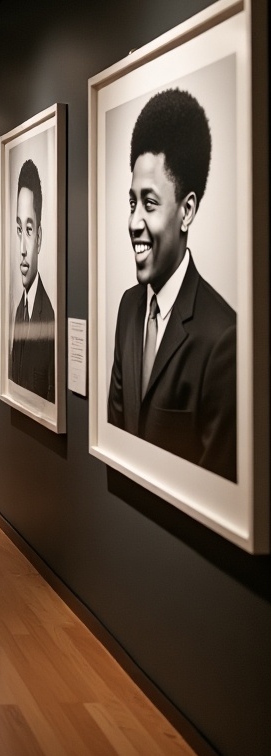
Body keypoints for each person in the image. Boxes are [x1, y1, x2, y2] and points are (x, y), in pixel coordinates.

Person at [107, 88, 236, 480]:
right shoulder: (129, 308)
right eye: (132, 203)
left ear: (187, 210)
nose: (133, 223)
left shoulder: (222, 337)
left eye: (149, 203)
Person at [9, 159, 55, 401]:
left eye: (28, 230)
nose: (22, 249)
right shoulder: (19, 312)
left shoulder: (48, 317)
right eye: (19, 229)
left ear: (38, 237)